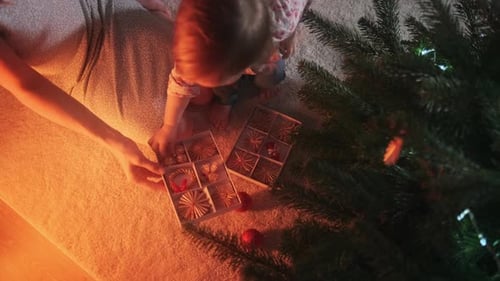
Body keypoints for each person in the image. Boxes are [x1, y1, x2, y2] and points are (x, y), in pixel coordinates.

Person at [0, 0, 272, 189]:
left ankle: (221, 92)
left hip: (114, 11)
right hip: (83, 67)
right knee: (158, 126)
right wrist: (116, 142)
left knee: (208, 69)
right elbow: (27, 85)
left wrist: (150, 5)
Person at [207, 0, 313, 129]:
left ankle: (264, 81)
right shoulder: (216, 16)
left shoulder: (284, 21)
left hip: (275, 28)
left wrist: (291, 34)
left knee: (273, 74)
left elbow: (303, 6)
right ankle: (225, 98)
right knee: (218, 72)